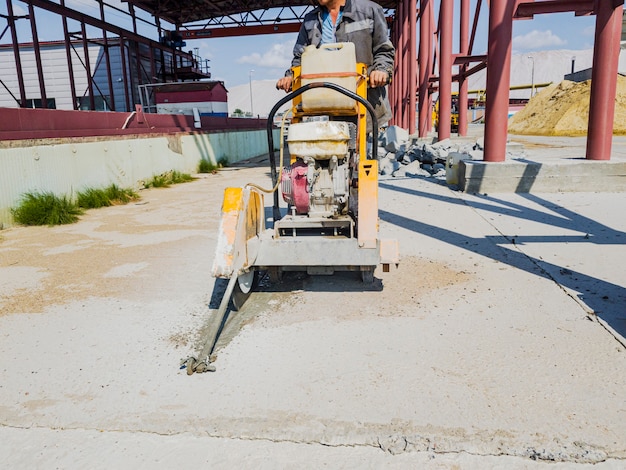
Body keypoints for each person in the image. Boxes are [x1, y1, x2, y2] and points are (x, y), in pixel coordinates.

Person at [276, 0, 395, 126]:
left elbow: (384, 50)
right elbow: (300, 57)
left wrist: (381, 70)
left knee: (363, 142)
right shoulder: (310, 20)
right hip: (323, 106)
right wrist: (290, 76)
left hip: (365, 103)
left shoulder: (370, 11)